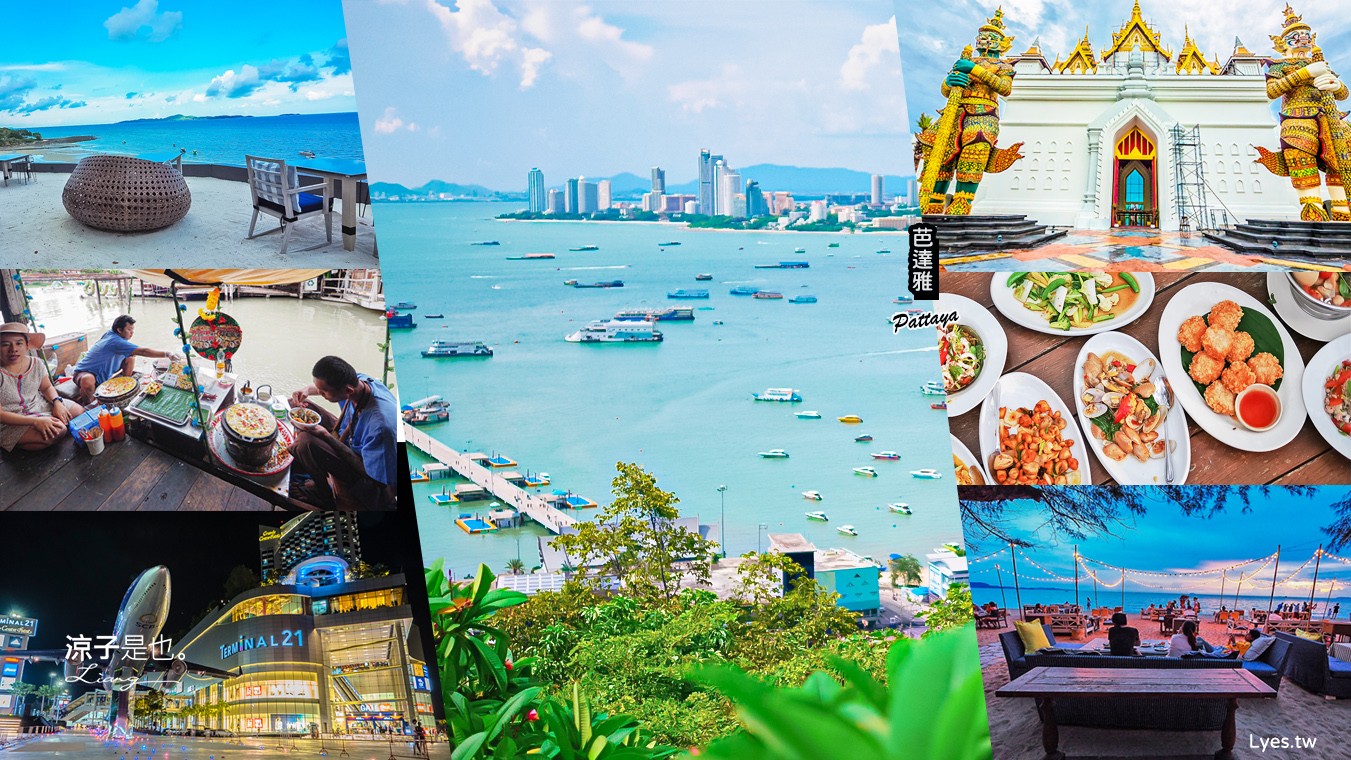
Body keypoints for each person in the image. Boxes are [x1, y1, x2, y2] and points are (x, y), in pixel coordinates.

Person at [290, 356, 398, 509]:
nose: (319, 393)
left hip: (368, 476)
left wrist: (327, 437)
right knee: (297, 406)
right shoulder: (359, 381)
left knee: (304, 442)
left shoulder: (381, 427)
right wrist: (306, 390)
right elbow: (325, 389)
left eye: (323, 392)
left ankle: (323, 494)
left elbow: (373, 476)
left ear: (348, 391)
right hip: (348, 433)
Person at [1, 323, 85, 453]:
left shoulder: (36, 363)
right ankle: (16, 442)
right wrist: (35, 422)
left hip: (38, 404)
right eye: (5, 344)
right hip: (11, 419)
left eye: (19, 343)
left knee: (79, 412)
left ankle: (42, 429)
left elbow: (46, 387)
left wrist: (57, 402)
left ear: (27, 345)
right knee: (58, 431)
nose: (13, 349)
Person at [71, 315, 180, 405]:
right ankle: (89, 405)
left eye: (133, 330)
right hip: (82, 374)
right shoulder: (115, 341)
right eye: (129, 330)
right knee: (88, 379)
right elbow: (143, 351)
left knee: (131, 356)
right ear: (119, 330)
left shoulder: (111, 334)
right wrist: (167, 354)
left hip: (102, 375)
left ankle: (125, 382)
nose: (132, 333)